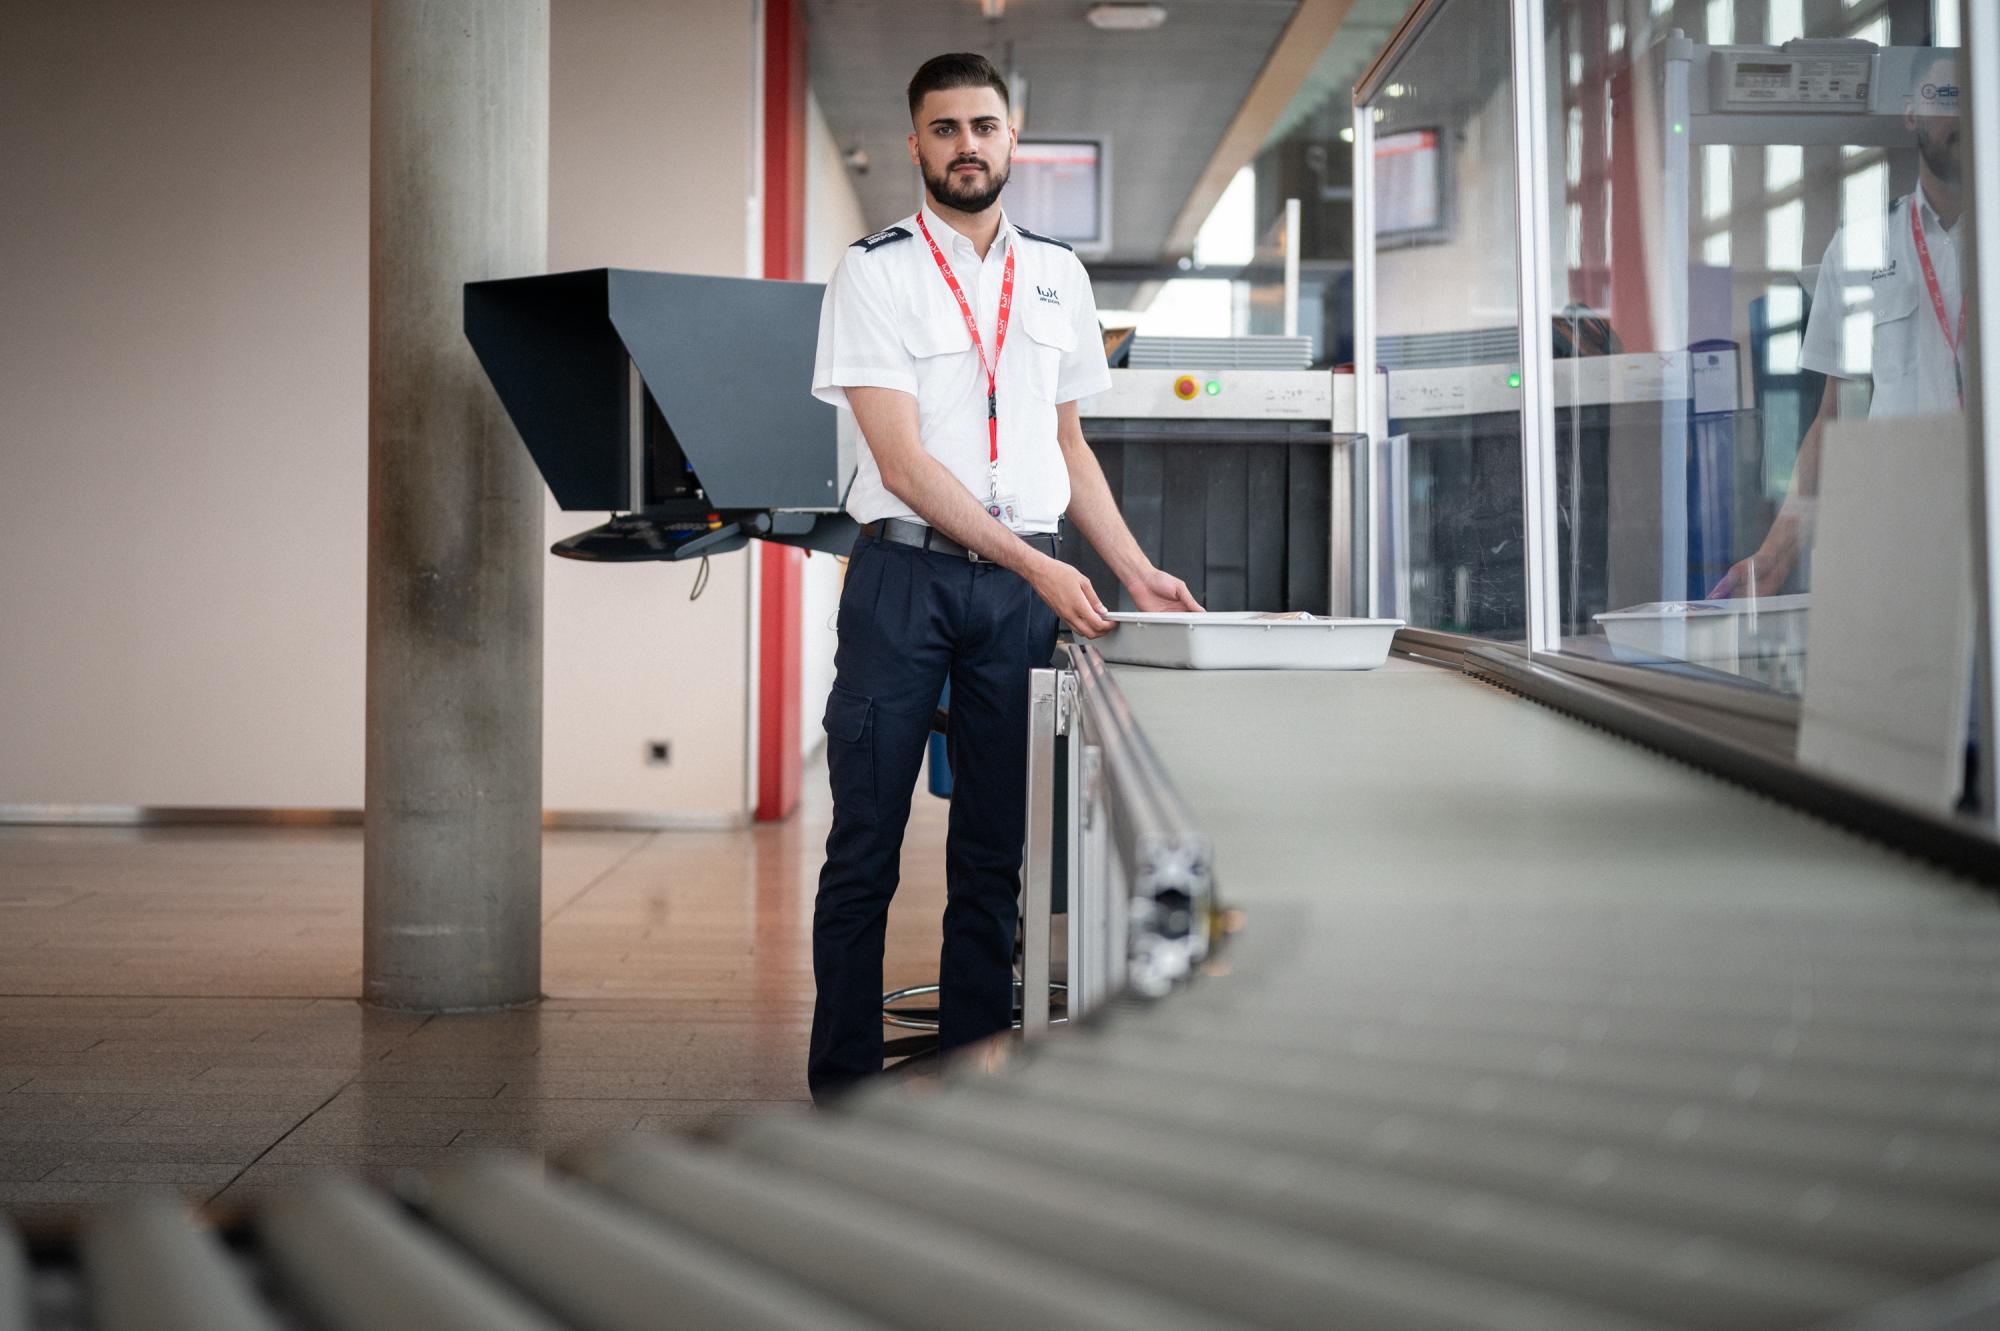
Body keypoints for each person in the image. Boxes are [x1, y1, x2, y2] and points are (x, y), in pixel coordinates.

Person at [805, 52, 1201, 1102]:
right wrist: (1038, 563)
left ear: (1011, 137)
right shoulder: (874, 272)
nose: (966, 146)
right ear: (915, 144)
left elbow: (1067, 444)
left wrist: (1134, 569)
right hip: (903, 578)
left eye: (983, 126)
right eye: (944, 128)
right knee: (864, 842)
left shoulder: (1058, 275)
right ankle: (842, 1086)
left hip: (1014, 597)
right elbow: (899, 463)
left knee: (993, 851)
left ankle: (976, 1072)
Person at [1711, 55, 1963, 599]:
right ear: (1911, 114)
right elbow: (1833, 421)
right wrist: (1777, 553)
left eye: (1973, 95)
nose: (1959, 112)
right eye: (1944, 96)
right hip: (1899, 541)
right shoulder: (1860, 249)